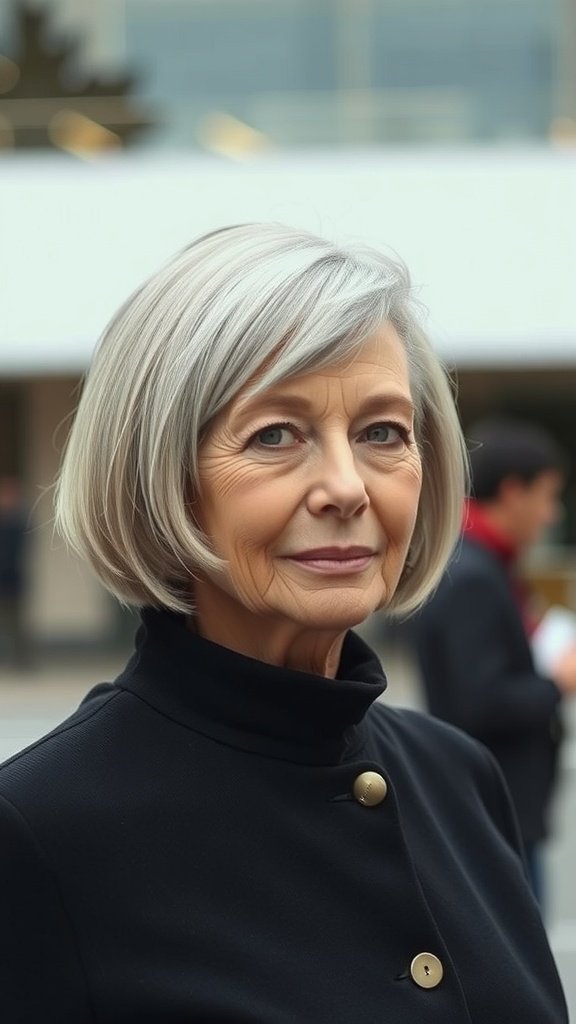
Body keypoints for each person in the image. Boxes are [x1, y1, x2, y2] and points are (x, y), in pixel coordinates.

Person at [0, 225, 567, 1021]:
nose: (347, 487)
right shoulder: (39, 832)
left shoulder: (459, 777)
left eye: (381, 433)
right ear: (161, 474)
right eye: (275, 435)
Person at [411, 418, 576, 906]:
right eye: (546, 497)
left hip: (492, 803)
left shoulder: (473, 559)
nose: (551, 514)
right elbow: (478, 701)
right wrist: (557, 682)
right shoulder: (475, 574)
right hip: (494, 805)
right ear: (512, 492)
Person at [0, 475, 29, 669]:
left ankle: (20, 659)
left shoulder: (19, 522)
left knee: (16, 621)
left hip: (13, 579)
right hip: (4, 578)